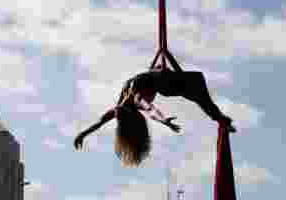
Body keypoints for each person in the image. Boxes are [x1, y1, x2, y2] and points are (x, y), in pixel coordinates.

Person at [73, 69, 236, 167]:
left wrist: (163, 120)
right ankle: (220, 119)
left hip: (164, 81)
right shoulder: (124, 104)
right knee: (199, 91)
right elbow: (100, 122)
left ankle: (221, 119)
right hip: (161, 80)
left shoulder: (133, 100)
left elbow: (150, 109)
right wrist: (83, 134)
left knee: (198, 88)